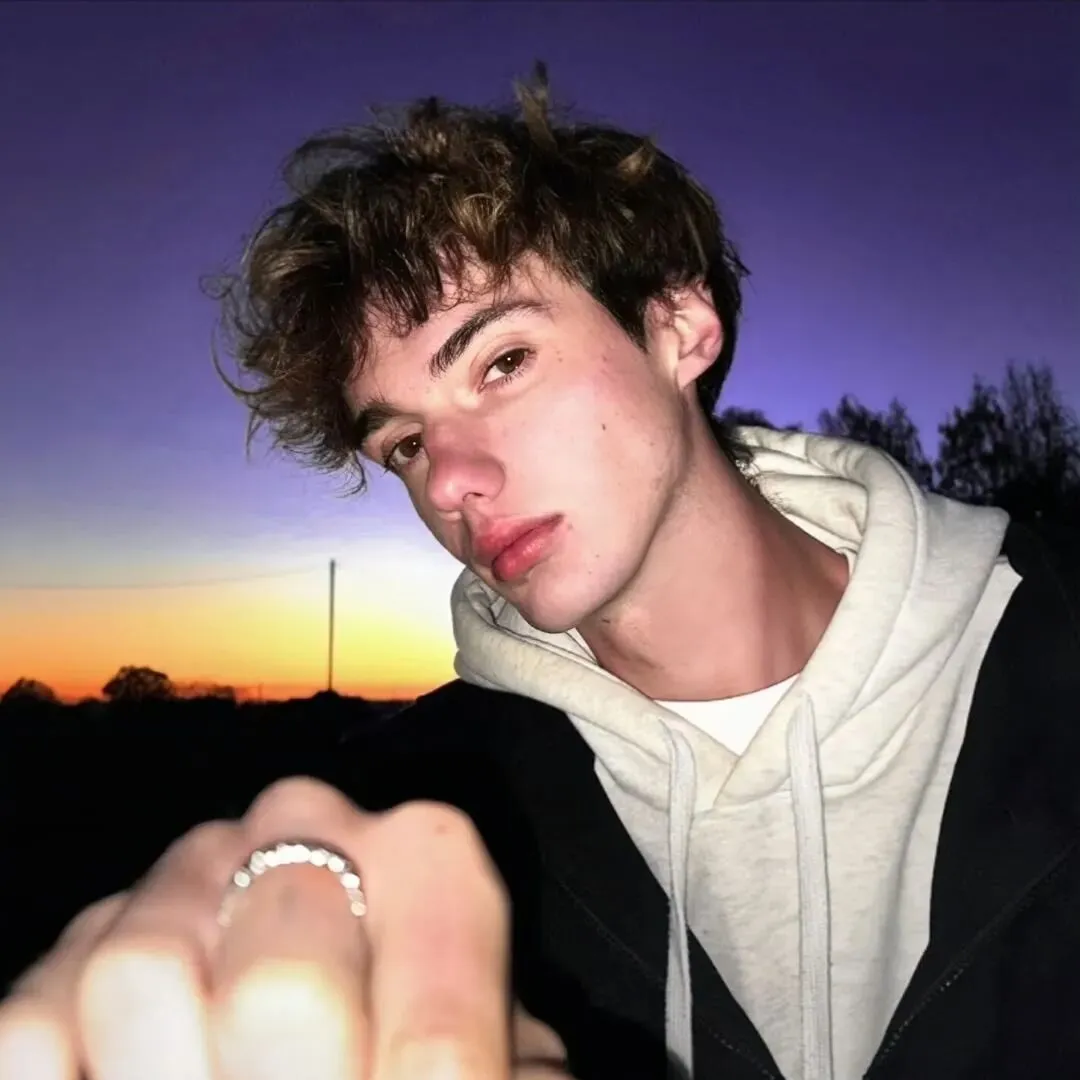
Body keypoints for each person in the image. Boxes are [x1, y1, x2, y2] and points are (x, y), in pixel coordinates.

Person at [2, 67, 1079, 1080]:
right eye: (405, 444)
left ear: (678, 326)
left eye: (503, 362)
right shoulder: (435, 806)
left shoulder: (1054, 630)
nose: (451, 481)